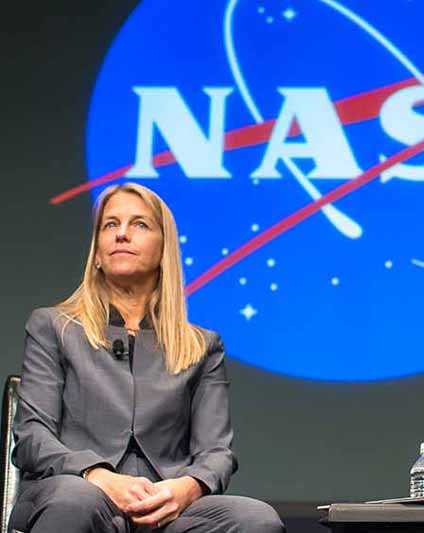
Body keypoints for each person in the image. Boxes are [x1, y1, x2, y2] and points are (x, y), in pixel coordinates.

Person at [10, 183, 285, 533]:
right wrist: (98, 476)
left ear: (164, 250)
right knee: (76, 499)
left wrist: (185, 489)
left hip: (162, 502)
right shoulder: (53, 327)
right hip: (73, 490)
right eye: (110, 225)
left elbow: (216, 453)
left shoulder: (202, 346)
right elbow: (33, 435)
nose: (122, 234)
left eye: (139, 224)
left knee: (255, 519)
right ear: (96, 252)